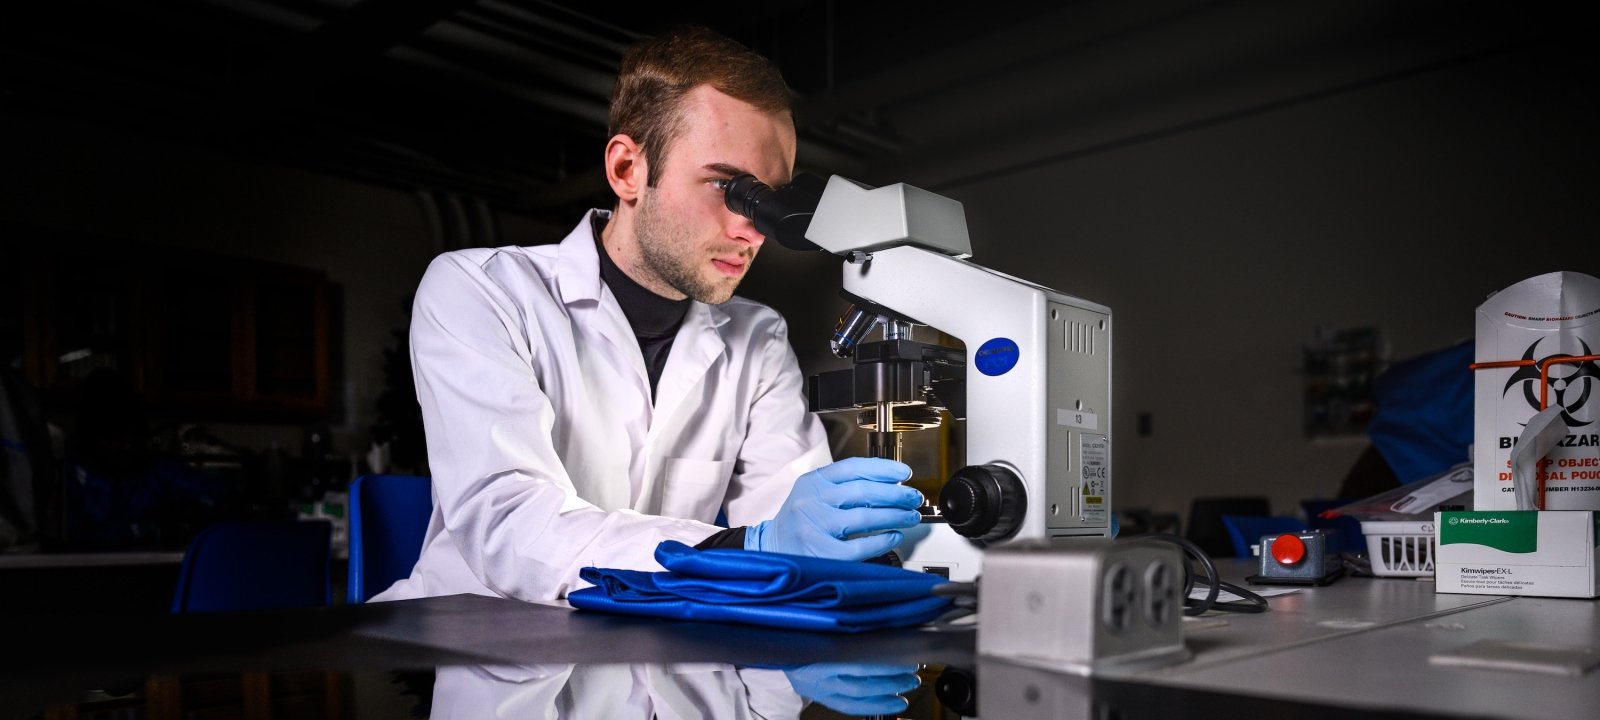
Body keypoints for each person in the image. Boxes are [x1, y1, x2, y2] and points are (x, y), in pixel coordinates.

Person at [375, 26, 924, 604]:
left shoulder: (756, 338)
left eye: (771, 200)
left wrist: (857, 540)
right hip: (477, 652)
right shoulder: (482, 290)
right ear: (626, 170)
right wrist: (746, 551)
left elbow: (794, 536)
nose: (750, 227)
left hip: (654, 656)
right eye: (727, 187)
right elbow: (510, 527)